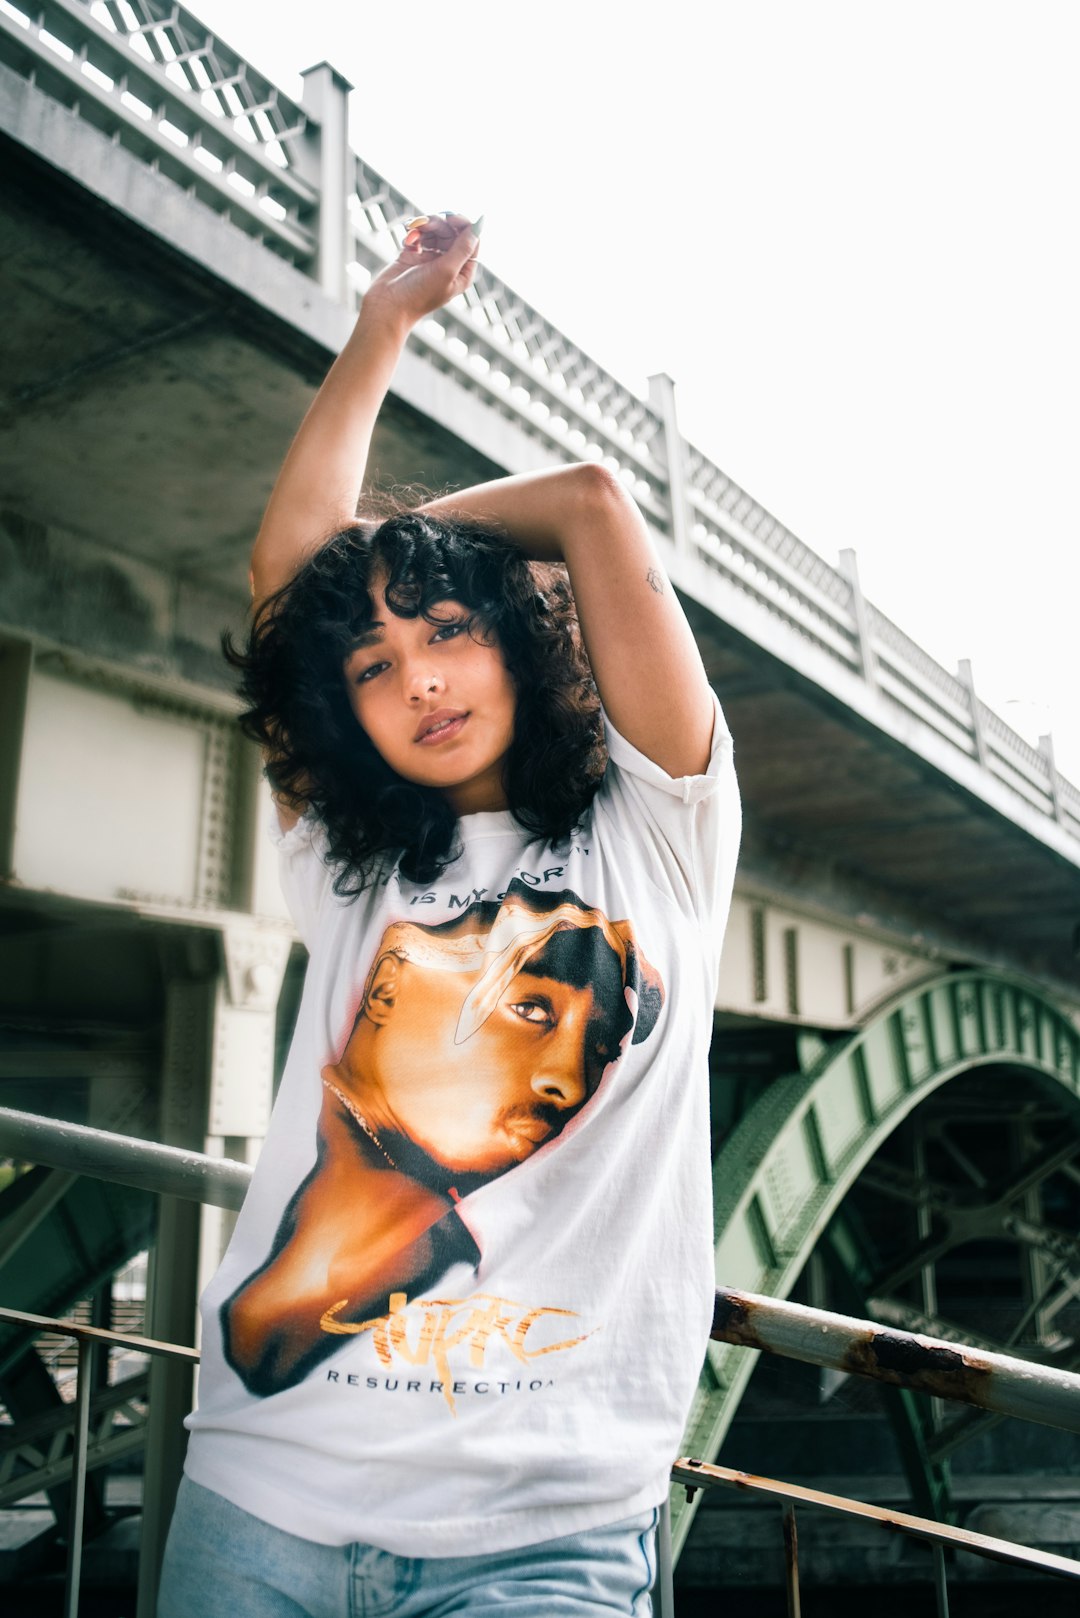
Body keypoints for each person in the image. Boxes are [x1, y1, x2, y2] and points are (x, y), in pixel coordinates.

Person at [160, 214, 741, 1616]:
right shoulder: (354, 865)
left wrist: (397, 546)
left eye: (446, 627)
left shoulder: (657, 833)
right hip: (261, 1501)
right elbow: (284, 583)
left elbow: (594, 504)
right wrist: (381, 329)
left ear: (517, 639)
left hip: (547, 1536)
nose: (417, 675)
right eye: (372, 660)